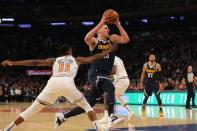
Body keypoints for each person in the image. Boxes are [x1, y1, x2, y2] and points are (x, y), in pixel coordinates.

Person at [1, 44, 117, 131]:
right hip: (67, 83)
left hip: (53, 83)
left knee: (31, 110)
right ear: (69, 51)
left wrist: (13, 62)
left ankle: (8, 129)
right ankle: (98, 128)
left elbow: (35, 62)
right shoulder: (77, 59)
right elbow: (94, 58)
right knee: (87, 107)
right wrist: (109, 50)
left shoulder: (54, 60)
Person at [55, 12, 130, 128]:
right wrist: (101, 22)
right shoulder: (94, 41)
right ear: (99, 30)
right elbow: (86, 38)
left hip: (103, 76)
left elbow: (126, 39)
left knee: (89, 104)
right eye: (105, 28)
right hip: (95, 73)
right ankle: (111, 117)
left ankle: (63, 116)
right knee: (111, 87)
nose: (108, 29)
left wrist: (118, 24)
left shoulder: (112, 39)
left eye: (108, 28)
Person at [99, 56, 135, 123]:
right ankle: (130, 111)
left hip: (120, 80)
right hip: (126, 80)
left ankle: (107, 116)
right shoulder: (118, 58)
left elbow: (114, 71)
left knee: (106, 94)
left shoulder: (111, 58)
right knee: (117, 96)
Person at [140, 52, 164, 117]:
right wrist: (141, 82)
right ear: (149, 58)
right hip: (148, 82)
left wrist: (161, 84)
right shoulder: (145, 64)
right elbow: (143, 74)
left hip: (155, 83)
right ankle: (143, 107)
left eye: (153, 57)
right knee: (146, 97)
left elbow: (160, 76)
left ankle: (161, 109)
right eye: (151, 57)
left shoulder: (158, 65)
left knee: (158, 96)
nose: (152, 58)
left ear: (155, 58)